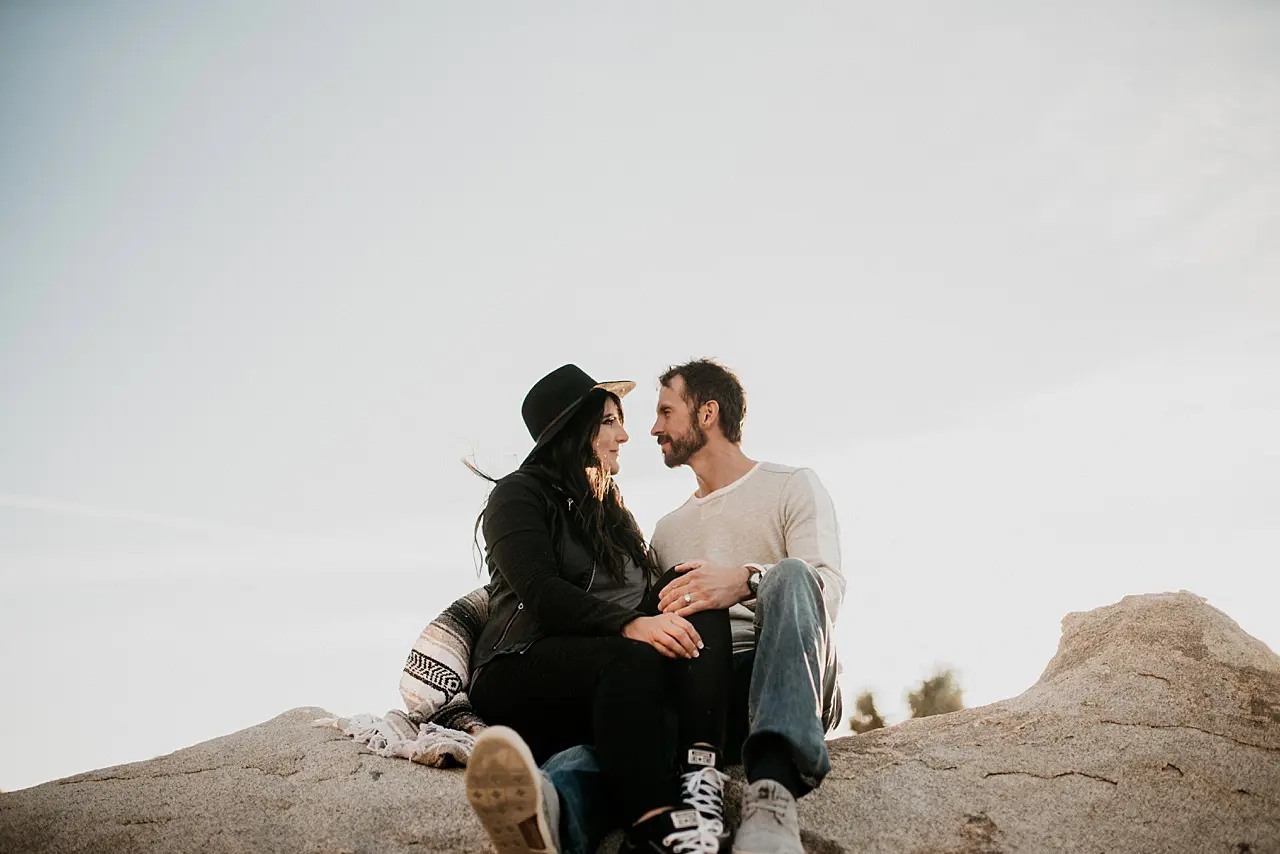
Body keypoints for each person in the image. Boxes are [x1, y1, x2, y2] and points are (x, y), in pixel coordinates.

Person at [547, 359, 845, 854]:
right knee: (628, 723)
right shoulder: (667, 530)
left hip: (787, 677)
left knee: (793, 573)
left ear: (707, 413)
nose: (652, 428)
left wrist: (745, 582)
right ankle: (554, 808)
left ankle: (770, 796)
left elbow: (826, 592)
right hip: (700, 693)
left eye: (666, 411)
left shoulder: (792, 485)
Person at [463, 364, 734, 854]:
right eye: (610, 422)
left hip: (610, 674)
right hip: (522, 668)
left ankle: (700, 776)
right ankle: (654, 822)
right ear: (575, 429)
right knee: (630, 658)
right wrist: (633, 625)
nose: (625, 435)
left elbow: (652, 599)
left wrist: (678, 605)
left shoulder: (611, 512)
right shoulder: (517, 496)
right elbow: (542, 594)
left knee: (692, 590)